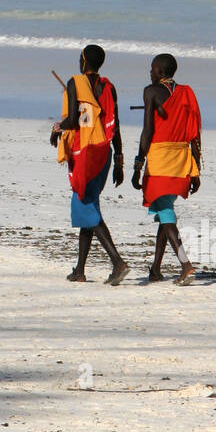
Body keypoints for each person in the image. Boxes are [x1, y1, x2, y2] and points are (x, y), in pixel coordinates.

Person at [51, 44, 129, 285]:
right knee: (89, 204)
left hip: (85, 152)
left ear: (84, 60)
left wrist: (57, 128)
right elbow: (112, 122)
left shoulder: (75, 82)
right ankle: (80, 270)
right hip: (104, 152)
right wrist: (119, 160)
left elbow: (75, 121)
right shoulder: (109, 86)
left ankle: (117, 262)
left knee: (85, 206)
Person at [131, 53, 202, 285]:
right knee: (165, 210)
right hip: (182, 159)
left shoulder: (150, 92)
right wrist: (196, 168)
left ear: (160, 71)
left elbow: (147, 131)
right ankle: (156, 269)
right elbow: (195, 133)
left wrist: (138, 164)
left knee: (165, 212)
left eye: (152, 69)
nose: (149, 73)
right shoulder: (187, 92)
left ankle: (185, 265)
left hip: (161, 158)